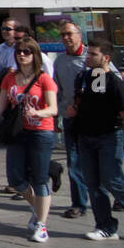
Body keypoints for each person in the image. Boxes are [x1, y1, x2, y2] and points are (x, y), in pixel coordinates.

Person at [0, 35, 58, 242]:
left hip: (41, 132)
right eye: (18, 51)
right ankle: (37, 208)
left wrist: (38, 113)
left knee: (39, 179)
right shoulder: (10, 78)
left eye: (26, 51)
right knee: (16, 180)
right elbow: (0, 105)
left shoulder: (44, 78)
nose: (21, 55)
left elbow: (53, 109)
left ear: (34, 54)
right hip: (18, 132)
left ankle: (42, 225)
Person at [73, 38, 124, 241]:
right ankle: (106, 227)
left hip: (109, 137)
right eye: (88, 53)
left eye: (93, 54)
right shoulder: (90, 77)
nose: (87, 57)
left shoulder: (116, 83)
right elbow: (93, 103)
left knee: (112, 180)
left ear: (106, 58)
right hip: (87, 137)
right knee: (93, 183)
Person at [52, 19, 92, 219]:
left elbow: (103, 90)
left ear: (79, 35)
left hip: (95, 120)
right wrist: (58, 115)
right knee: (74, 161)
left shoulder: (92, 58)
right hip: (71, 119)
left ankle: (116, 195)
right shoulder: (59, 61)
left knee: (100, 162)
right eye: (63, 35)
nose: (66, 38)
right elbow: (56, 91)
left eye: (69, 34)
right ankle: (79, 203)